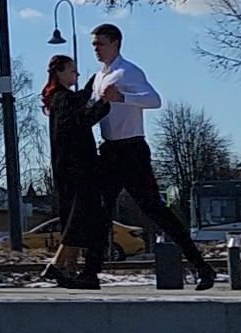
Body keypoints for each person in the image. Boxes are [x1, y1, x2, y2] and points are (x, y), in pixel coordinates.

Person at [87, 23, 215, 290]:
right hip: (109, 150)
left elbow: (154, 99)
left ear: (116, 43)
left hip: (131, 150)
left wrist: (122, 96)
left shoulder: (128, 71)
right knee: (99, 212)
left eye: (100, 43)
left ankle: (202, 267)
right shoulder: (99, 76)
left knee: (155, 211)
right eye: (94, 44)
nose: (96, 49)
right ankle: (90, 273)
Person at [40, 54, 110, 289]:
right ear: (59, 72)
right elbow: (81, 122)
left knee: (76, 216)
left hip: (66, 167)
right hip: (78, 168)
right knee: (79, 217)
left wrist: (94, 83)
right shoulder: (63, 99)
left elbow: (79, 102)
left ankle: (68, 268)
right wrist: (104, 105)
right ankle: (58, 265)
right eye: (72, 70)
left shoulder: (59, 99)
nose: (76, 75)